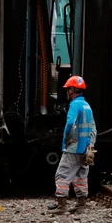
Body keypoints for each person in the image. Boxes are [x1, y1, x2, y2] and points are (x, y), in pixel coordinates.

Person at [48, 75, 97, 214]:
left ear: (73, 90)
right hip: (86, 148)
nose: (67, 92)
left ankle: (61, 205)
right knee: (80, 176)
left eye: (68, 89)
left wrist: (66, 138)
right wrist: (90, 146)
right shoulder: (87, 105)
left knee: (62, 175)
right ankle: (81, 205)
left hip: (74, 147)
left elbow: (70, 123)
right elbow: (93, 128)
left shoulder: (74, 105)